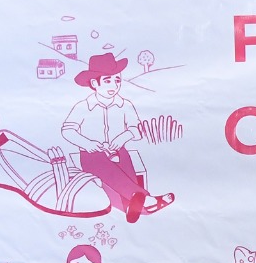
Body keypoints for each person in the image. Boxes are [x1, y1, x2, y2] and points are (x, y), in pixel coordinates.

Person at [59, 53, 174, 225]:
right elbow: (68, 130)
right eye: (107, 81)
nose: (114, 85)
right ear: (94, 83)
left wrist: (124, 136)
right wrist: (87, 143)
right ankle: (147, 200)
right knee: (104, 167)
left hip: (118, 150)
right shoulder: (83, 107)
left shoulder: (125, 105)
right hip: (92, 154)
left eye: (117, 80)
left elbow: (137, 129)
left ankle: (132, 207)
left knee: (126, 166)